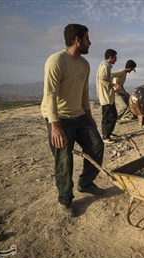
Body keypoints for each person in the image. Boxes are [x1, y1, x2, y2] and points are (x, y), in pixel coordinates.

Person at [41, 23, 105, 218]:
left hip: (79, 116)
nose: (90, 42)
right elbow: (50, 95)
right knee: (64, 159)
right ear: (77, 40)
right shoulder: (56, 61)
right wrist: (55, 126)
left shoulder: (84, 64)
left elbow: (84, 92)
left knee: (97, 146)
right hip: (59, 118)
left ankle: (85, 183)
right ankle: (65, 200)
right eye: (87, 39)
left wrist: (90, 117)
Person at [96, 49, 121, 143]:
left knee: (113, 115)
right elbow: (102, 81)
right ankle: (105, 136)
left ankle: (109, 133)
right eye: (115, 57)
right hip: (105, 97)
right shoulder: (104, 66)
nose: (116, 59)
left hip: (109, 96)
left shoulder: (107, 67)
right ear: (110, 57)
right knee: (107, 117)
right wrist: (114, 85)